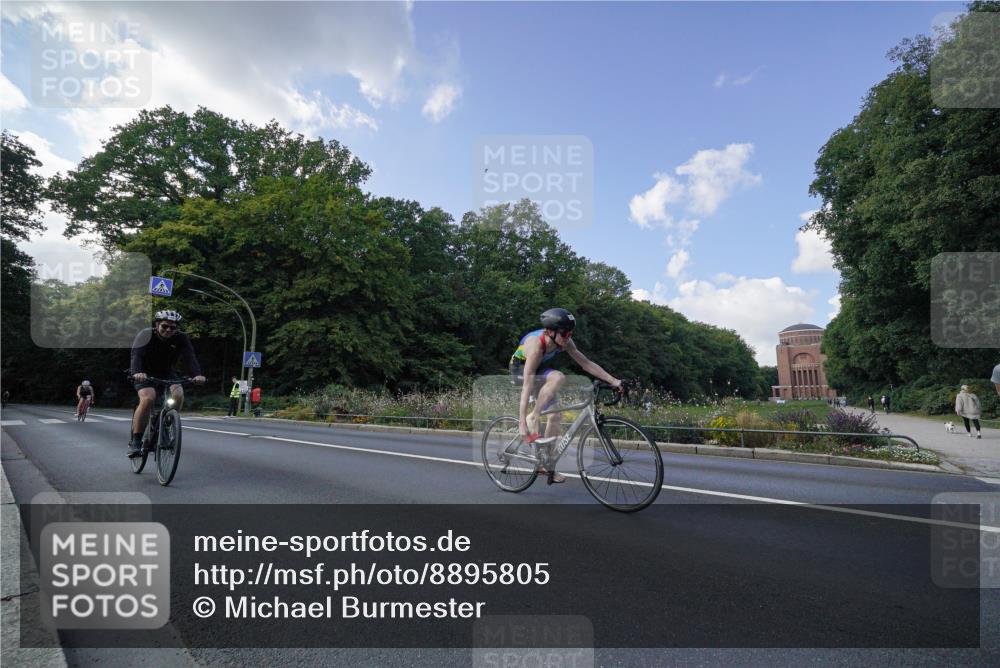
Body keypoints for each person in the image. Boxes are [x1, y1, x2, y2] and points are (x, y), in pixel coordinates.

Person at [509, 308, 622, 483]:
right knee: (558, 377)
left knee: (555, 416)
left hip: (539, 369)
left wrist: (614, 380)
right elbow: (527, 384)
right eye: (564, 334)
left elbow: (586, 363)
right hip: (520, 369)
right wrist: (522, 421)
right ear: (550, 332)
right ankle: (534, 417)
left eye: (570, 333)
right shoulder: (535, 345)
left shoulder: (564, 340)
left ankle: (547, 464)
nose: (568, 338)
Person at [128, 310, 206, 457]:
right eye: (164, 326)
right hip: (144, 372)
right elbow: (136, 355)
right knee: (148, 398)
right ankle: (136, 441)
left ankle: (167, 425)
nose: (168, 330)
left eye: (173, 327)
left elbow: (190, 357)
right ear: (157, 325)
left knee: (178, 394)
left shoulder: (181, 338)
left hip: (167, 372)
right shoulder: (145, 335)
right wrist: (137, 372)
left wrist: (197, 375)